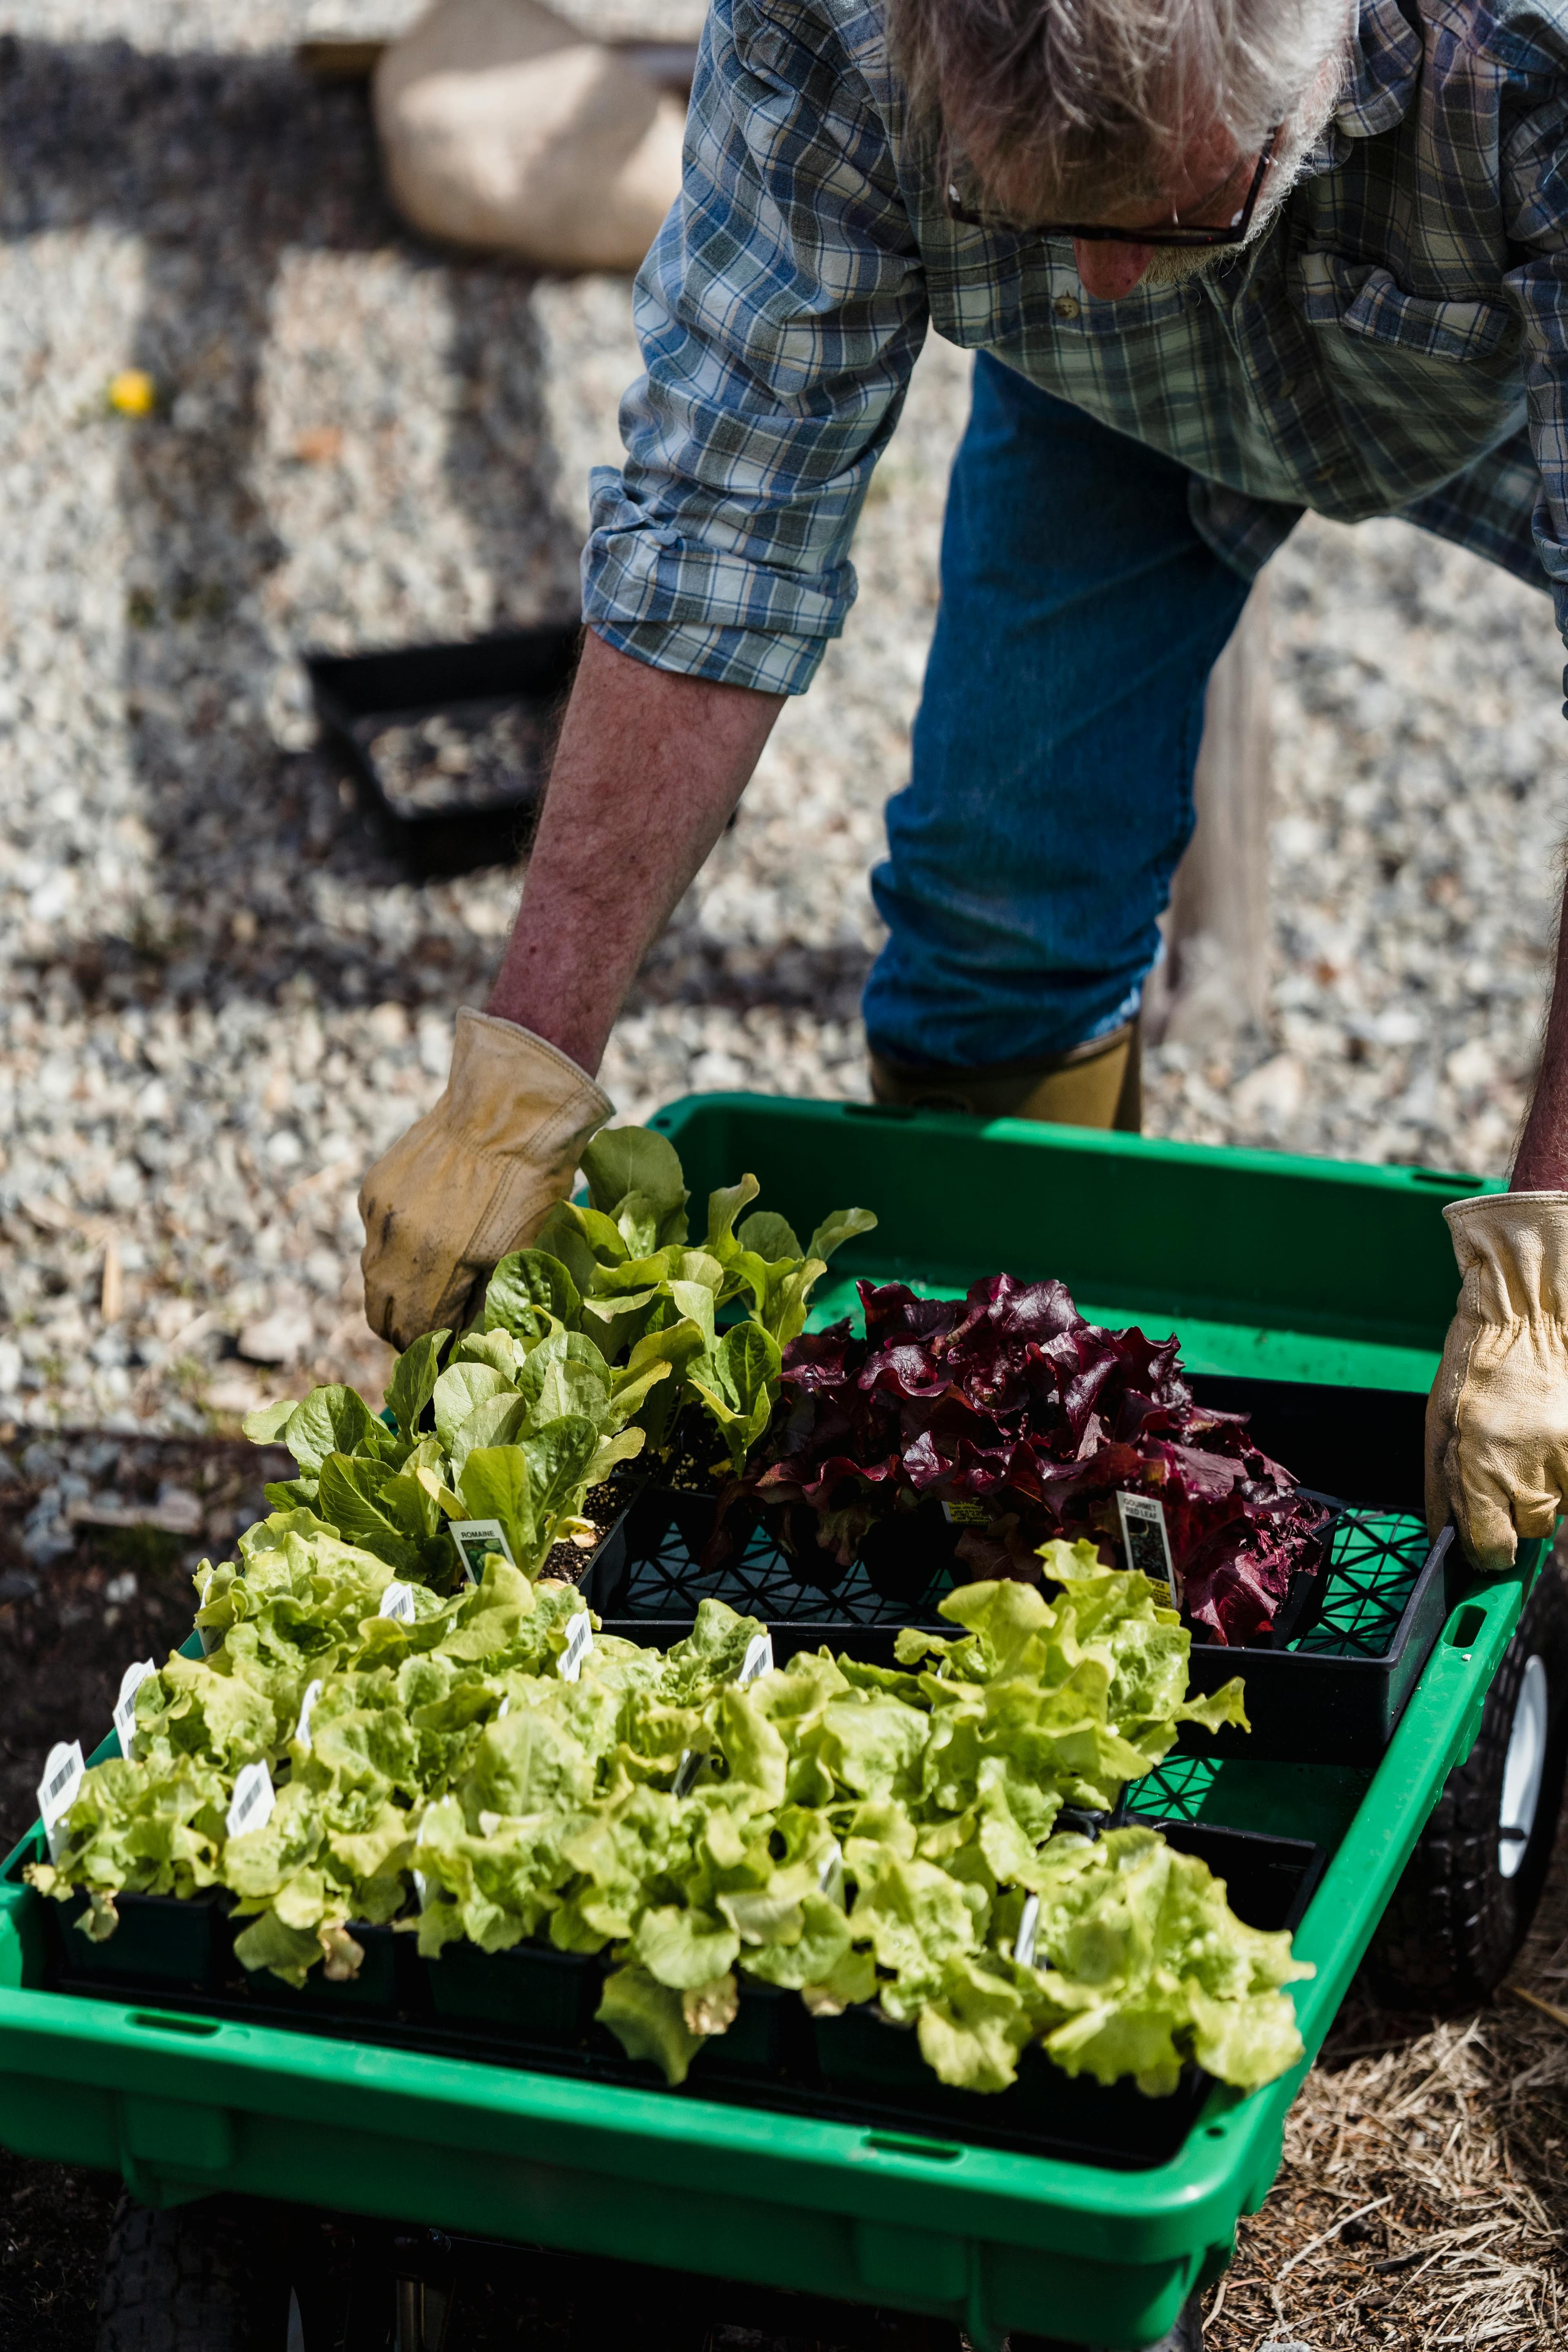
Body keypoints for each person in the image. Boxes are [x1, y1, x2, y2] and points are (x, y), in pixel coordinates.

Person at [359, 0, 1568, 1576]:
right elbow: (718, 526)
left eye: (1165, 208)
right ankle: (1040, 1493)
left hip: (1492, 357)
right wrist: (525, 1063)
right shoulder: (839, 24)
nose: (1105, 271)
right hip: (1119, 405)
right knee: (993, 940)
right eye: (1032, 213)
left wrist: (1550, 1244)